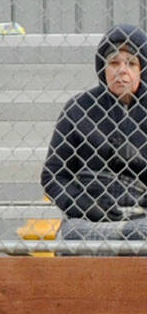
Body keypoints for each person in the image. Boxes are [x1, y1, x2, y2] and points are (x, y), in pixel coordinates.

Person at [41, 24, 147, 241]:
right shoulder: (79, 108)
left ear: (142, 70)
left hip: (142, 212)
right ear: (103, 68)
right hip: (89, 213)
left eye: (131, 63)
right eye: (113, 63)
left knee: (138, 233)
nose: (121, 71)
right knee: (77, 233)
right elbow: (53, 174)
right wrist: (83, 205)